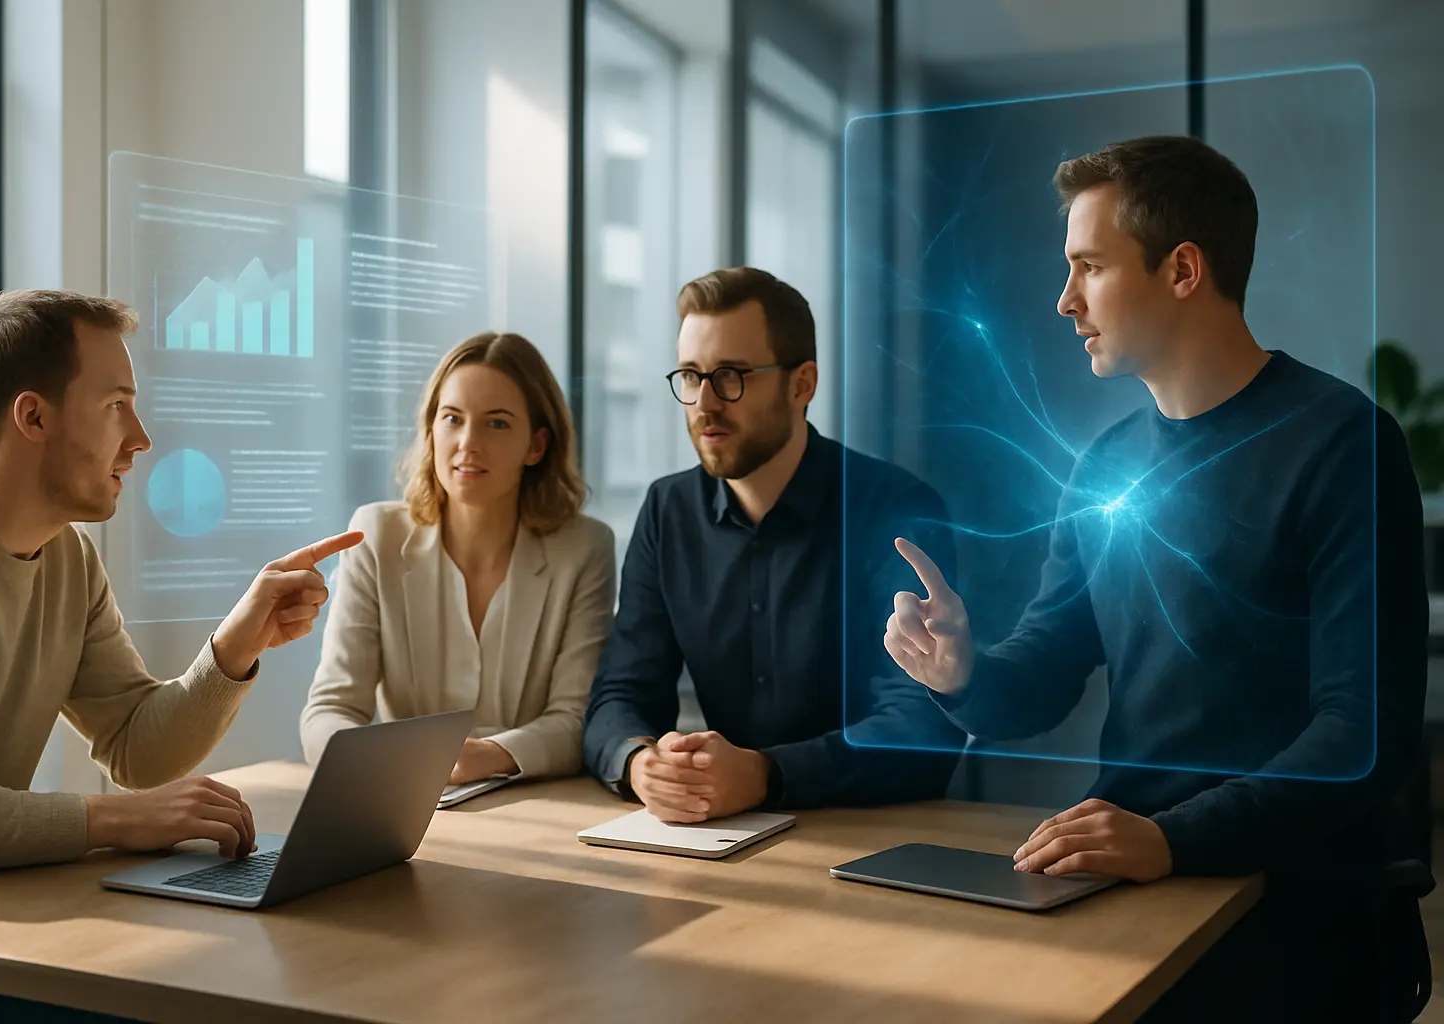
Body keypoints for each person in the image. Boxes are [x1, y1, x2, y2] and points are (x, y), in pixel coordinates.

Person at [884, 136, 1430, 1021]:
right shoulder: (1104, 464)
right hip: (1137, 890)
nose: (1065, 301)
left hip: (1297, 915)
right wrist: (965, 672)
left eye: (1089, 267)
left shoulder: (1343, 447)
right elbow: (1045, 671)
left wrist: (1170, 839)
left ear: (1182, 269)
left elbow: (1363, 734)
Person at [0, 290, 359, 1018]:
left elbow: (136, 748)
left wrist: (237, 642)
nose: (142, 437)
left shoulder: (68, 561)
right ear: (33, 416)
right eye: (116, 403)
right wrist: (115, 820)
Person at [583, 267, 967, 822]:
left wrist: (765, 774)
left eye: (731, 375)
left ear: (801, 384)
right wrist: (643, 764)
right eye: (691, 376)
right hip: (721, 835)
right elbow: (620, 692)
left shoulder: (897, 509)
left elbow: (921, 726)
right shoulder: (667, 512)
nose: (705, 403)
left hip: (877, 835)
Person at [301, 332, 614, 785]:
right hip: (403, 799)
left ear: (537, 446)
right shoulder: (377, 535)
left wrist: (489, 755)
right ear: (431, 429)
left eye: (498, 423)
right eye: (452, 419)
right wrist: (381, 767)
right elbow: (329, 710)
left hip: (534, 801)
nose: (468, 442)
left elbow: (574, 720)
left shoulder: (585, 549)